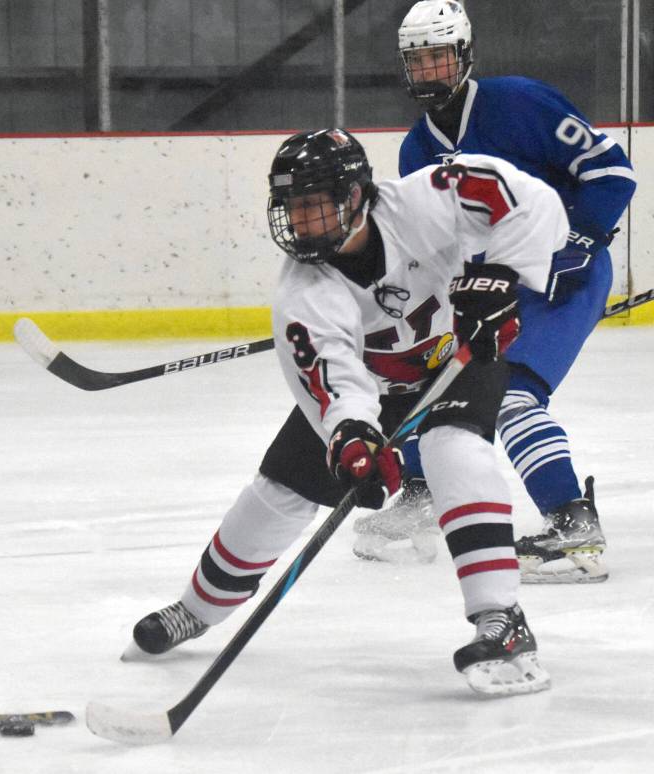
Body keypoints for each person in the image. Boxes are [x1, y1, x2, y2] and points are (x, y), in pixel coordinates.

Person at [127, 128, 568, 696]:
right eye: (292, 207)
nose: (302, 222)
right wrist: (353, 439)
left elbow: (533, 203)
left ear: (357, 195)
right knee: (280, 491)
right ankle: (196, 608)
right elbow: (335, 381)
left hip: (458, 356)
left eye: (315, 205)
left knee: (450, 445)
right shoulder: (302, 294)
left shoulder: (424, 201)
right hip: (376, 386)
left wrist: (503, 274)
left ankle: (500, 619)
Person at [351, 0, 637, 582]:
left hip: (564, 280)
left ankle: (572, 524)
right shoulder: (416, 151)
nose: (428, 71)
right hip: (493, 289)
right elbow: (430, 247)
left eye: (438, 57)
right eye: (417, 61)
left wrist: (576, 240)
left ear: (463, 55)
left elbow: (611, 173)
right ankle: (422, 492)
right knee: (429, 380)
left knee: (512, 398)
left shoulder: (519, 101)